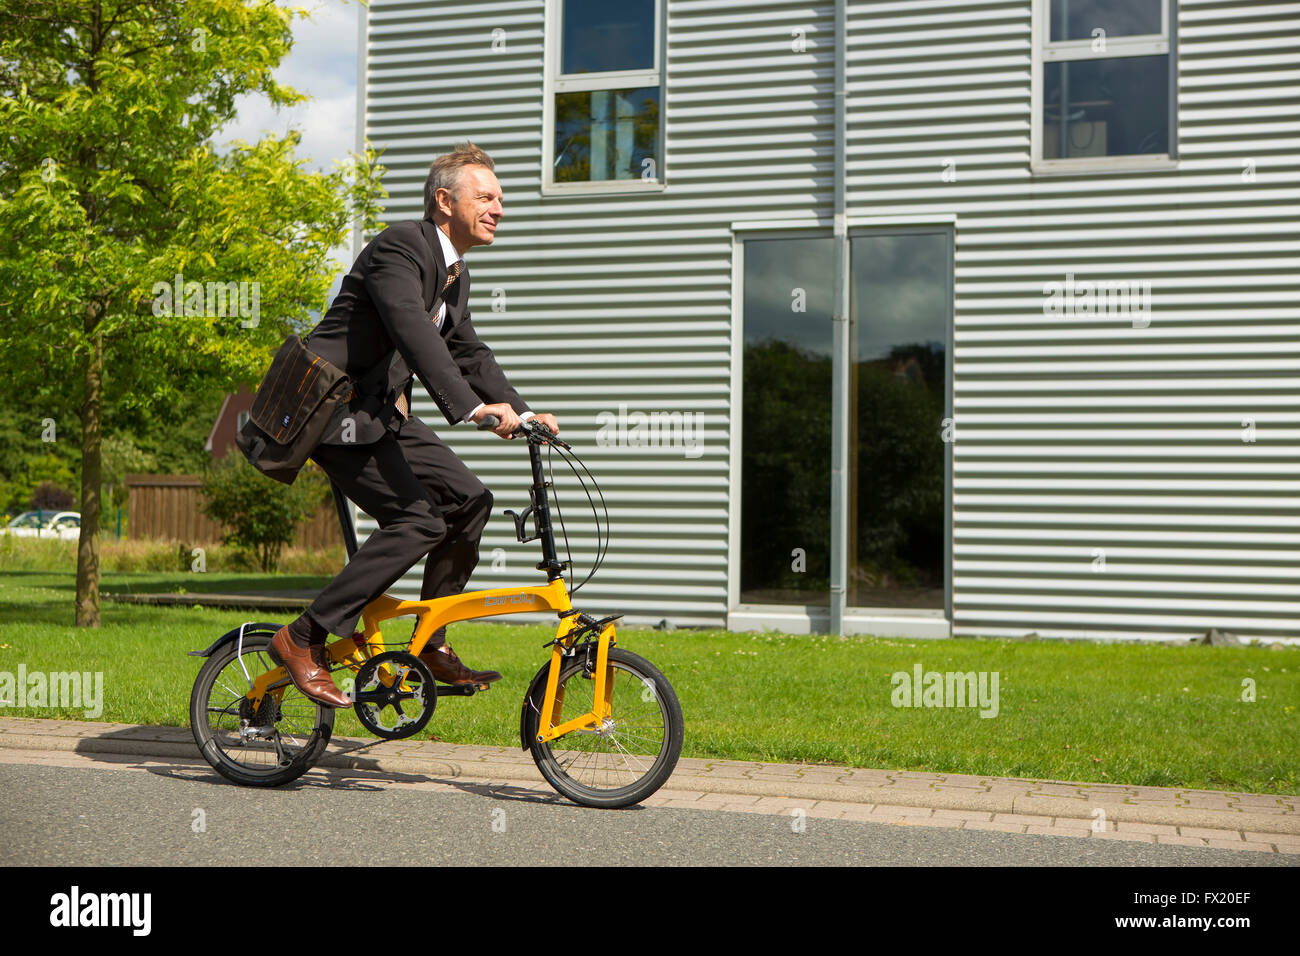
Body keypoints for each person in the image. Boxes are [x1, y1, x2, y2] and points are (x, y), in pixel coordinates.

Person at [267, 141, 558, 708]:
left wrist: (522, 413)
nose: (499, 207)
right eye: (487, 196)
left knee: (471, 499)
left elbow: (469, 352)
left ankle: (429, 642)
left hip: (383, 414)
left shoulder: (453, 275)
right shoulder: (401, 247)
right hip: (339, 413)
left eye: (501, 198)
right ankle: (303, 636)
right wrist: (472, 410)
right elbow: (412, 331)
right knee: (418, 521)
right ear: (444, 201)